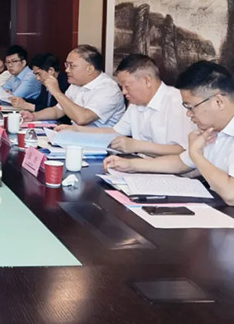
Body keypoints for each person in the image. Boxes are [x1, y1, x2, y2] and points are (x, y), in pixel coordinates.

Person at [104, 61, 234, 204]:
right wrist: (131, 165)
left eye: (191, 107)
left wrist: (196, 154)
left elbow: (231, 194)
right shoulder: (212, 130)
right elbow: (180, 162)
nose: (188, 114)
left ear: (218, 102)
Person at [59, 54, 194, 155]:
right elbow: (115, 132)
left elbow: (182, 151)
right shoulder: (136, 102)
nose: (123, 92)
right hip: (142, 167)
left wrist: (137, 146)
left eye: (126, 86)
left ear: (146, 81)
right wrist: (76, 130)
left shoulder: (178, 102)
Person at [22, 44, 125, 127]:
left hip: (101, 144)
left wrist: (57, 92)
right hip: (77, 137)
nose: (67, 70)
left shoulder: (108, 89)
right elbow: (57, 111)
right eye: (66, 65)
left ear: (89, 69)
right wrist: (34, 116)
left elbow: (82, 119)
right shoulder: (76, 84)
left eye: (72, 66)